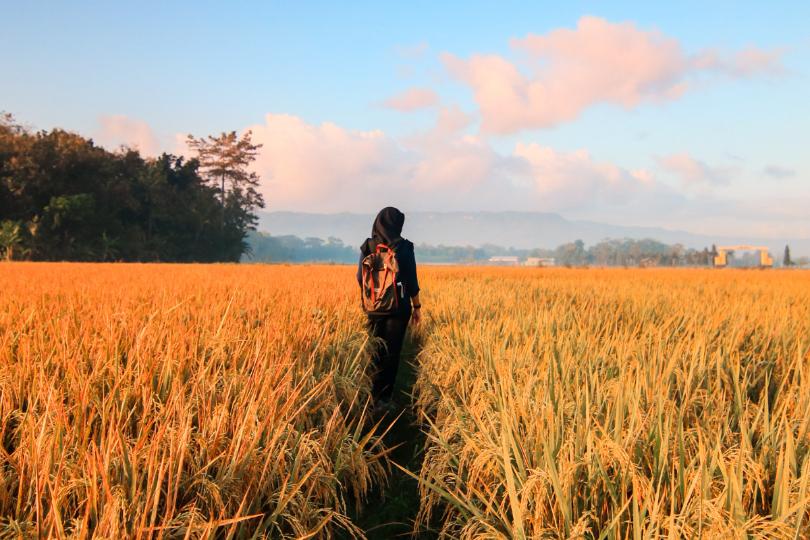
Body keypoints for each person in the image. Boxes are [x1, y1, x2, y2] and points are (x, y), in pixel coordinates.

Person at [357, 207, 421, 412]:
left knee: (374, 351)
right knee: (392, 354)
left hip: (373, 308)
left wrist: (372, 297)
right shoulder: (404, 247)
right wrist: (416, 306)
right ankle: (384, 399)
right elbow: (411, 279)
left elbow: (360, 277)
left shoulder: (368, 245)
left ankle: (369, 396)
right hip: (398, 309)